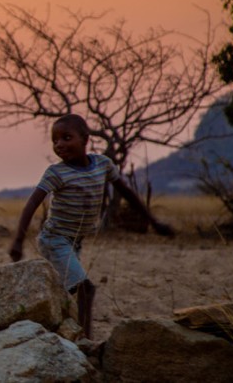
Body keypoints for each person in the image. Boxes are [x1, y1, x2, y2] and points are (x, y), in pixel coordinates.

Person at [9, 113, 174, 339]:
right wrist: (18, 240)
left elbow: (126, 191)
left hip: (75, 241)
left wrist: (154, 222)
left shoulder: (103, 165)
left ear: (86, 139)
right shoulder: (56, 173)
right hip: (54, 239)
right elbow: (31, 204)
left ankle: (51, 329)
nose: (59, 145)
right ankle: (86, 340)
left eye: (67, 138)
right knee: (85, 287)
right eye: (55, 140)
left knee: (65, 290)